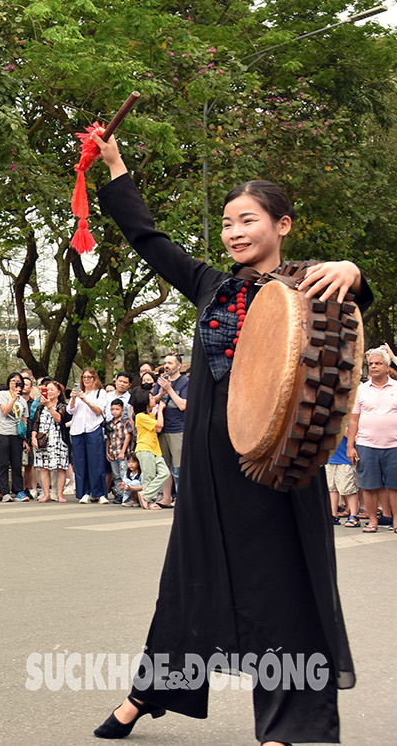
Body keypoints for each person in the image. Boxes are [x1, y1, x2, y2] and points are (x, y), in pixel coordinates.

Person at [90, 131, 366, 744]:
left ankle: (286, 727)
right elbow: (148, 238)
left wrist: (352, 271)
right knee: (188, 586)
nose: (234, 232)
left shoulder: (309, 285)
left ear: (282, 224)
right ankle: (147, 694)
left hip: (280, 469)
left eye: (248, 220)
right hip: (211, 470)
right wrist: (113, 164)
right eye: (226, 223)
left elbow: (350, 309)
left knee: (285, 592)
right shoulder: (213, 287)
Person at [348, 345, 397, 534]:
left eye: (378, 363)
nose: (374, 366)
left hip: (394, 445)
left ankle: (395, 522)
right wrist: (350, 446)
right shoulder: (361, 390)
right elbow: (354, 419)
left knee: (394, 486)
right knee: (369, 486)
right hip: (366, 445)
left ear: (387, 367)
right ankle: (372, 521)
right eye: (371, 364)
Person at [68, 367, 110, 504]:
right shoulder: (78, 393)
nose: (86, 380)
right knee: (80, 463)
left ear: (94, 378)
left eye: (89, 377)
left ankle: (100, 493)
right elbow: (70, 410)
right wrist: (74, 399)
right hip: (77, 430)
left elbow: (98, 411)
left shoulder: (100, 393)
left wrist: (86, 400)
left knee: (96, 462)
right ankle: (84, 492)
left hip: (93, 429)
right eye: (84, 377)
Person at [152, 352, 188, 490]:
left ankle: (181, 498)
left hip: (177, 429)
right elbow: (151, 402)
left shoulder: (185, 382)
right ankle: (166, 498)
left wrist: (169, 389)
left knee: (178, 468)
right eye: (165, 363)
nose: (166, 366)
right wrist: (161, 393)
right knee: (164, 468)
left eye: (170, 363)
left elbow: (183, 405)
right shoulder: (161, 380)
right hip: (161, 428)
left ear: (179, 366)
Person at [0, 373, 27, 502]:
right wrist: (13, 399)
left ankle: (18, 490)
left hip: (16, 434)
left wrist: (25, 439)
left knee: (17, 464)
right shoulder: (3, 395)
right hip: (2, 432)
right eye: (13, 381)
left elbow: (24, 419)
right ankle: (4, 491)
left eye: (18, 382)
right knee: (2, 463)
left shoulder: (22, 400)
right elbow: (5, 411)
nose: (15, 384)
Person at [133, 403, 171, 510]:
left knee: (165, 473)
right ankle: (147, 500)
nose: (154, 398)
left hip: (155, 449)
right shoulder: (140, 416)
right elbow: (160, 425)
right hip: (145, 447)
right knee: (149, 476)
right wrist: (160, 410)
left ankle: (146, 495)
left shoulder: (150, 416)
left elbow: (158, 429)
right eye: (151, 397)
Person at [105, 400, 134, 504]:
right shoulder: (110, 423)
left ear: (122, 410)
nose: (114, 411)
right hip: (113, 453)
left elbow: (128, 437)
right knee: (116, 475)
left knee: (123, 474)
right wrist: (107, 451)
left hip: (122, 453)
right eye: (112, 409)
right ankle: (120, 494)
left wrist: (123, 451)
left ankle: (127, 495)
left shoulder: (125, 423)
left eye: (117, 409)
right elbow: (108, 438)